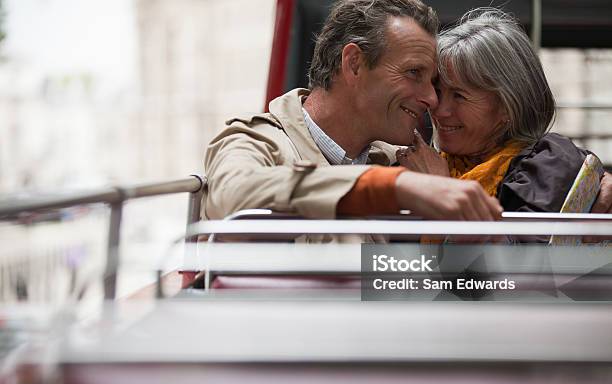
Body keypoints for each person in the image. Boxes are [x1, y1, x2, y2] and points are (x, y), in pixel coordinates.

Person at [203, 0, 502, 226]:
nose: (432, 99)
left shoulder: (404, 161)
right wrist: (392, 187)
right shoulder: (254, 141)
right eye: (414, 73)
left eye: (432, 81)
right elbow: (231, 195)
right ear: (354, 64)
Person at [398, 8, 611, 216]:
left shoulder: (547, 167)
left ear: (509, 106)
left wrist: (441, 190)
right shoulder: (424, 162)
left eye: (459, 96)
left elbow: (518, 251)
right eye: (437, 91)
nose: (439, 109)